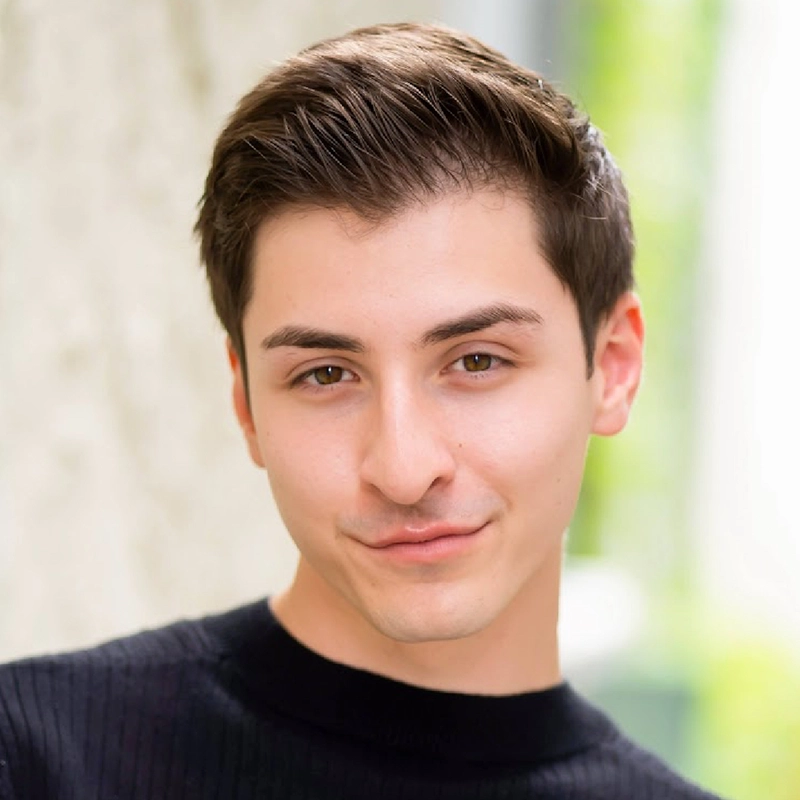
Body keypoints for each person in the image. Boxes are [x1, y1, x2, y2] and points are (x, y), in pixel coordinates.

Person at [0, 21, 723, 800]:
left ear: (611, 368)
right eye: (325, 375)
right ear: (246, 406)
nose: (405, 470)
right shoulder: (34, 759)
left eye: (476, 362)